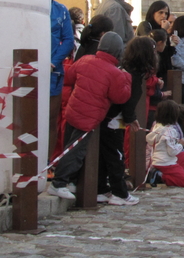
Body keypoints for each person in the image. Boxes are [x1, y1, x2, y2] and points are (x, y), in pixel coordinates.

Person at [49, 32, 132, 200]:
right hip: (89, 117)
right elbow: (120, 97)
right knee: (76, 152)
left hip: (73, 110)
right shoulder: (115, 73)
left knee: (68, 147)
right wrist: (127, 79)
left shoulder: (85, 59)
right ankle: (58, 183)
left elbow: (70, 77)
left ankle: (71, 181)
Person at [98, 36, 158, 206]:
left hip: (110, 118)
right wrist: (131, 118)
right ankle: (119, 193)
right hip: (112, 120)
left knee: (106, 156)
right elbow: (127, 99)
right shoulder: (133, 75)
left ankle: (101, 189)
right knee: (116, 156)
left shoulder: (127, 70)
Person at [50, 0, 75, 160]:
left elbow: (68, 40)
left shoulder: (61, 11)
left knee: (52, 120)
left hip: (53, 73)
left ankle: (48, 161)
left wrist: (53, 61)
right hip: (30, 69)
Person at [146, 100, 184, 187]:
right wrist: (180, 145)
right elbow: (172, 151)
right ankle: (161, 176)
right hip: (165, 163)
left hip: (156, 160)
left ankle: (170, 173)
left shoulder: (157, 126)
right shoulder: (170, 131)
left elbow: (149, 139)